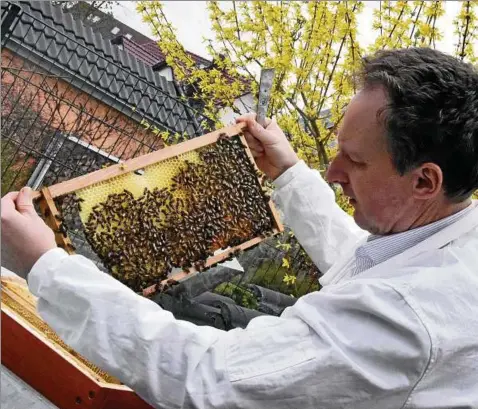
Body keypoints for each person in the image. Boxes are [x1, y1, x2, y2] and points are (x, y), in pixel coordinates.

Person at [2, 47, 478, 408]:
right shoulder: (448, 246)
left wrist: (47, 267)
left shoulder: (410, 318)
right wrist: (289, 174)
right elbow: (363, 263)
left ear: (424, 181)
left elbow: (210, 376)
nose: (332, 173)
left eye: (354, 161)